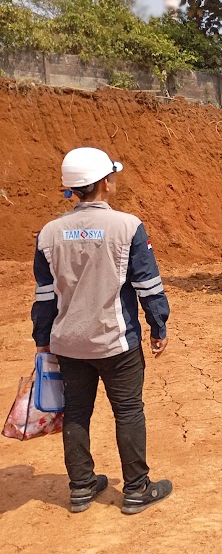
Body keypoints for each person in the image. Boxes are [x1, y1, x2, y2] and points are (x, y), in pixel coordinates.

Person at [31, 147, 172, 514]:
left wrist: (42, 340)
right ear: (105, 184)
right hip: (116, 341)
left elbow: (45, 296)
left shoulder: (49, 234)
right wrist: (159, 325)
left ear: (72, 189)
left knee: (77, 411)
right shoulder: (127, 227)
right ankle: (136, 489)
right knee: (127, 411)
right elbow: (147, 285)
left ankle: (81, 487)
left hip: (68, 342)